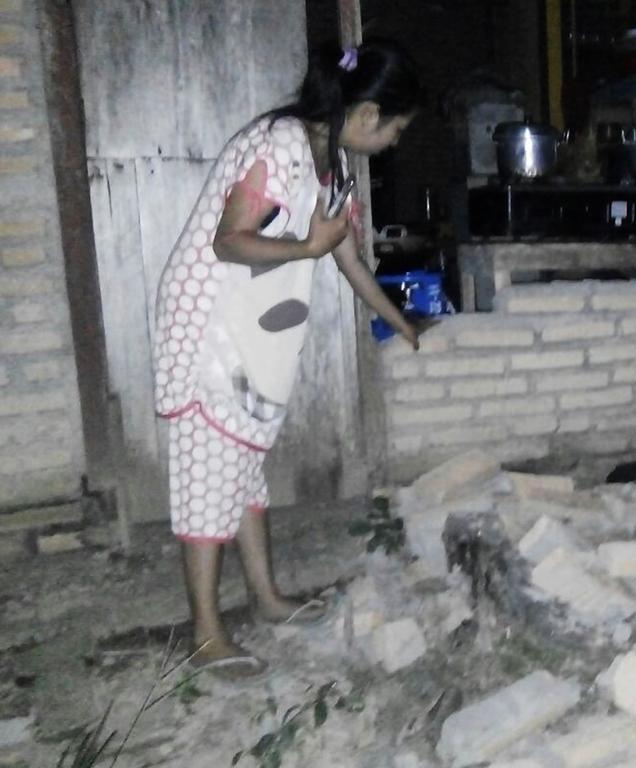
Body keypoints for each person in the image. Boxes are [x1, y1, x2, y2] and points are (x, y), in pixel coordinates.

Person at [151, 39, 422, 677]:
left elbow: (347, 254)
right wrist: (305, 248)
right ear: (365, 115)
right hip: (210, 324)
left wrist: (398, 321)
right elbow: (230, 241)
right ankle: (205, 633)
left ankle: (267, 599)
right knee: (206, 480)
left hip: (250, 333)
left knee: (243, 470)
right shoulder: (279, 146)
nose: (396, 142)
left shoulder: (330, 166)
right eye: (397, 129)